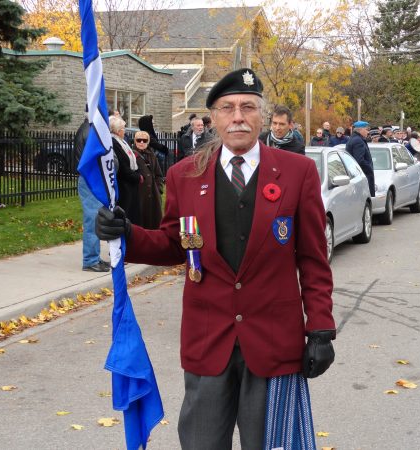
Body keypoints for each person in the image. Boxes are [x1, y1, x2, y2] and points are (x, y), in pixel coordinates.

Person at [95, 68, 336, 449]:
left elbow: (312, 260)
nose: (238, 116)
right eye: (227, 108)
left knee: (271, 445)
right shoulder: (185, 176)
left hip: (274, 343)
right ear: (214, 118)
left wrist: (320, 328)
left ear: (261, 116)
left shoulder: (298, 172)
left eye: (247, 107)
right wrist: (127, 235)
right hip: (208, 341)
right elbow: (174, 244)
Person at [74, 115, 110, 272]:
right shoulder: (90, 131)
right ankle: (90, 260)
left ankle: (94, 257)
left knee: (95, 217)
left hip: (91, 177)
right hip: (90, 178)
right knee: (92, 219)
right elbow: (96, 156)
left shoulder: (88, 129)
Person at [110, 115, 142, 226]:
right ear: (118, 131)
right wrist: (137, 177)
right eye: (123, 128)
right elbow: (122, 165)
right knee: (127, 214)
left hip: (130, 183)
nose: (125, 131)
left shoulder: (121, 141)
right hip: (124, 184)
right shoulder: (114, 143)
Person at [133, 130, 164, 229]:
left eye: (144, 140)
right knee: (140, 221)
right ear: (135, 141)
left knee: (154, 221)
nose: (141, 142)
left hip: (153, 193)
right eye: (139, 140)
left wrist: (159, 189)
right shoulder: (131, 155)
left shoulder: (152, 155)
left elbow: (159, 174)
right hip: (139, 193)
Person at [348, 121, 375, 196]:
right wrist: (369, 167)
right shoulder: (358, 141)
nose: (368, 132)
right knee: (366, 198)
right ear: (360, 130)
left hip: (359, 175)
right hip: (363, 175)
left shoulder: (355, 139)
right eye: (366, 129)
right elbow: (359, 160)